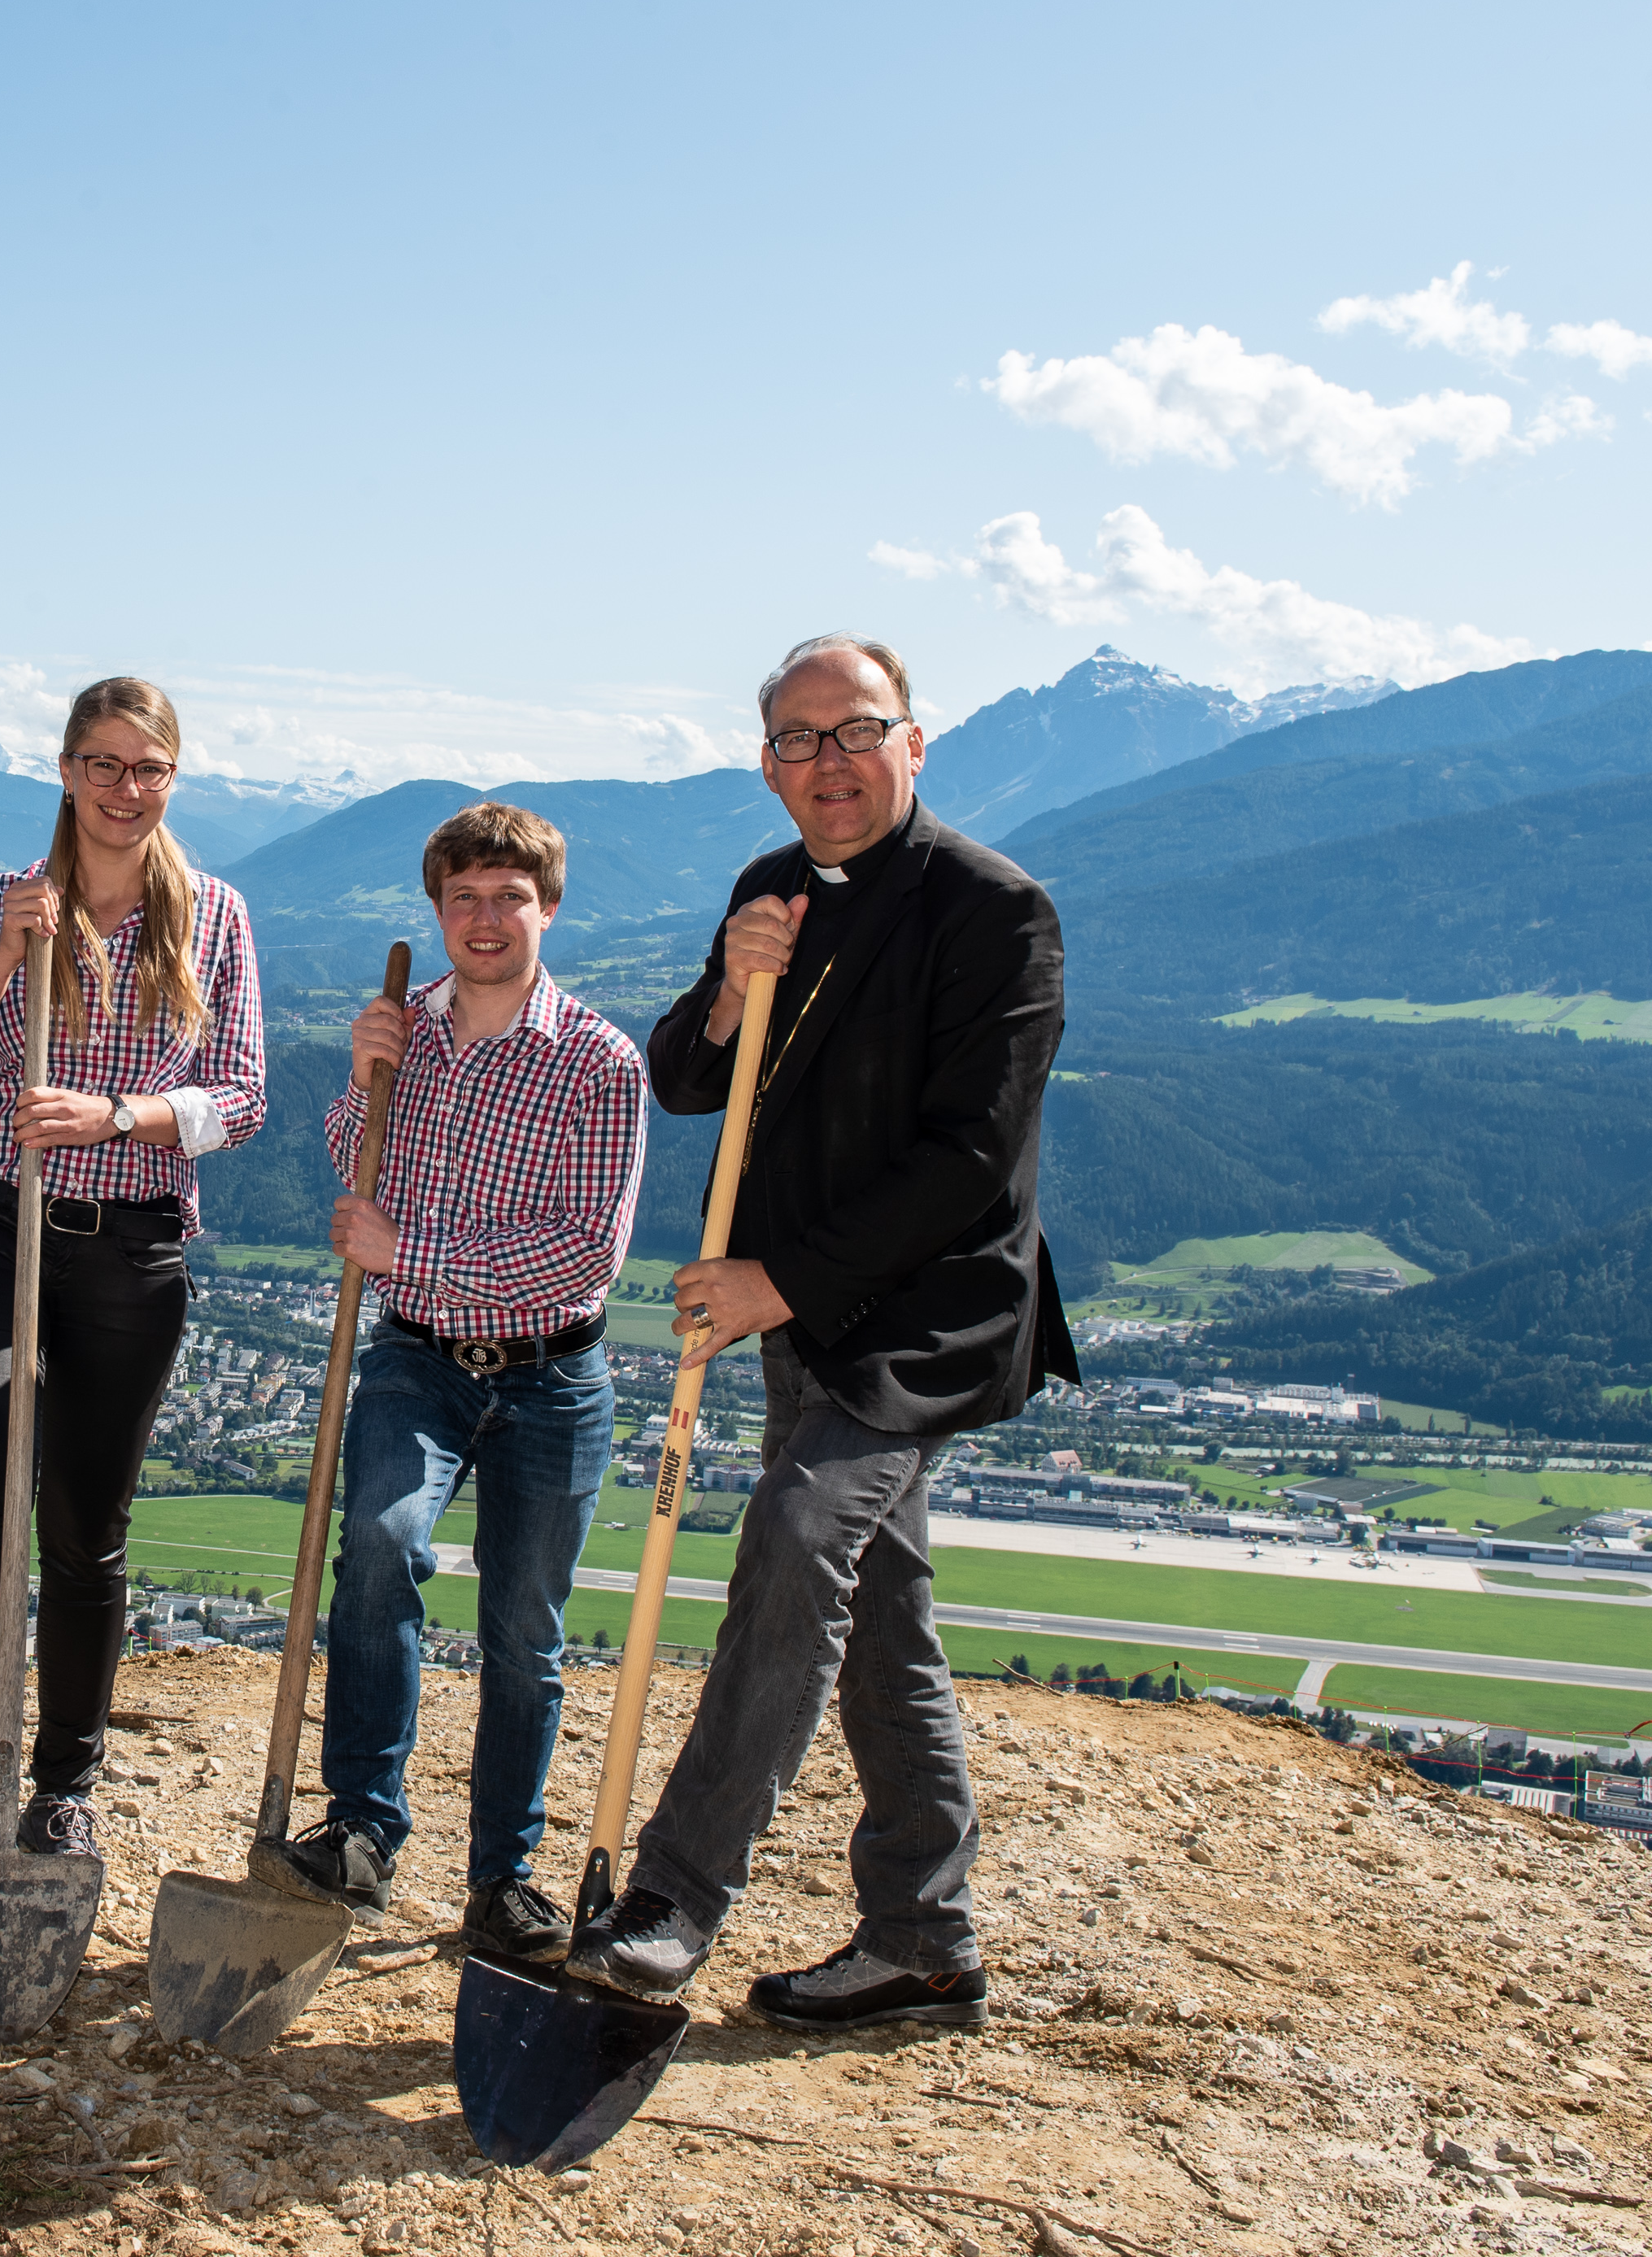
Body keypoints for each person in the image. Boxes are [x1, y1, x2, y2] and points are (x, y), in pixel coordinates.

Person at [562, 634, 1078, 2031]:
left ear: (916, 741)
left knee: (796, 1538)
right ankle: (924, 1937)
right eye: (797, 741)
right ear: (767, 764)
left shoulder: (997, 913)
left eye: (854, 733)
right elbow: (683, 1080)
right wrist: (730, 988)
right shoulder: (771, 889)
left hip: (926, 1325)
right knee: (879, 1619)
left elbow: (970, 1158)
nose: (827, 765)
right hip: (802, 1308)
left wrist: (776, 1281)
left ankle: (673, 1898)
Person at [247, 803, 647, 1965]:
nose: (484, 919)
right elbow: (355, 1162)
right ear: (438, 910)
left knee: (524, 1631)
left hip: (551, 1377)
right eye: (464, 898)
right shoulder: (406, 1030)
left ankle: (503, 1879)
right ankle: (364, 1830)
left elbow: (585, 1253)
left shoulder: (598, 1061)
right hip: (417, 1357)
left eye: (508, 898)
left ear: (548, 909)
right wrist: (361, 1075)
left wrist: (401, 1253)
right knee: (375, 1544)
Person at [0, 675, 268, 1858]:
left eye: (148, 767)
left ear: (173, 776)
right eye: (103, 764)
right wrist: (9, 958)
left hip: (133, 1233)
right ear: (63, 769)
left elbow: (244, 1100)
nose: (125, 789)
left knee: (86, 1515)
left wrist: (118, 1115)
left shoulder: (215, 915)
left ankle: (65, 1782)